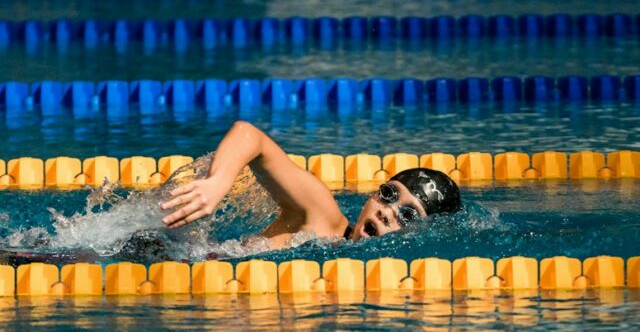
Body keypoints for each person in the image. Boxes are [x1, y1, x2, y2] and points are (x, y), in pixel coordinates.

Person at [161, 121, 461, 248]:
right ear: (372, 194)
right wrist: (217, 183)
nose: (388, 212)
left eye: (408, 215)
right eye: (388, 194)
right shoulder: (322, 216)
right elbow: (249, 135)